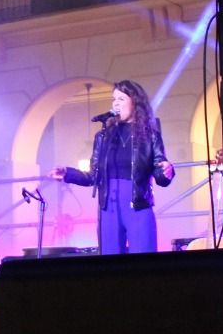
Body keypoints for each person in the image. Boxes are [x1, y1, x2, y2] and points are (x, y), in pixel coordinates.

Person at [49, 80, 175, 254]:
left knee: (143, 260)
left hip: (137, 204)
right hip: (108, 206)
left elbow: (160, 173)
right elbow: (93, 176)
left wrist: (167, 171)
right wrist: (67, 173)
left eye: (121, 99)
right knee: (110, 260)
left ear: (135, 102)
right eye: (114, 99)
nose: (116, 103)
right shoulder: (103, 136)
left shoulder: (149, 135)